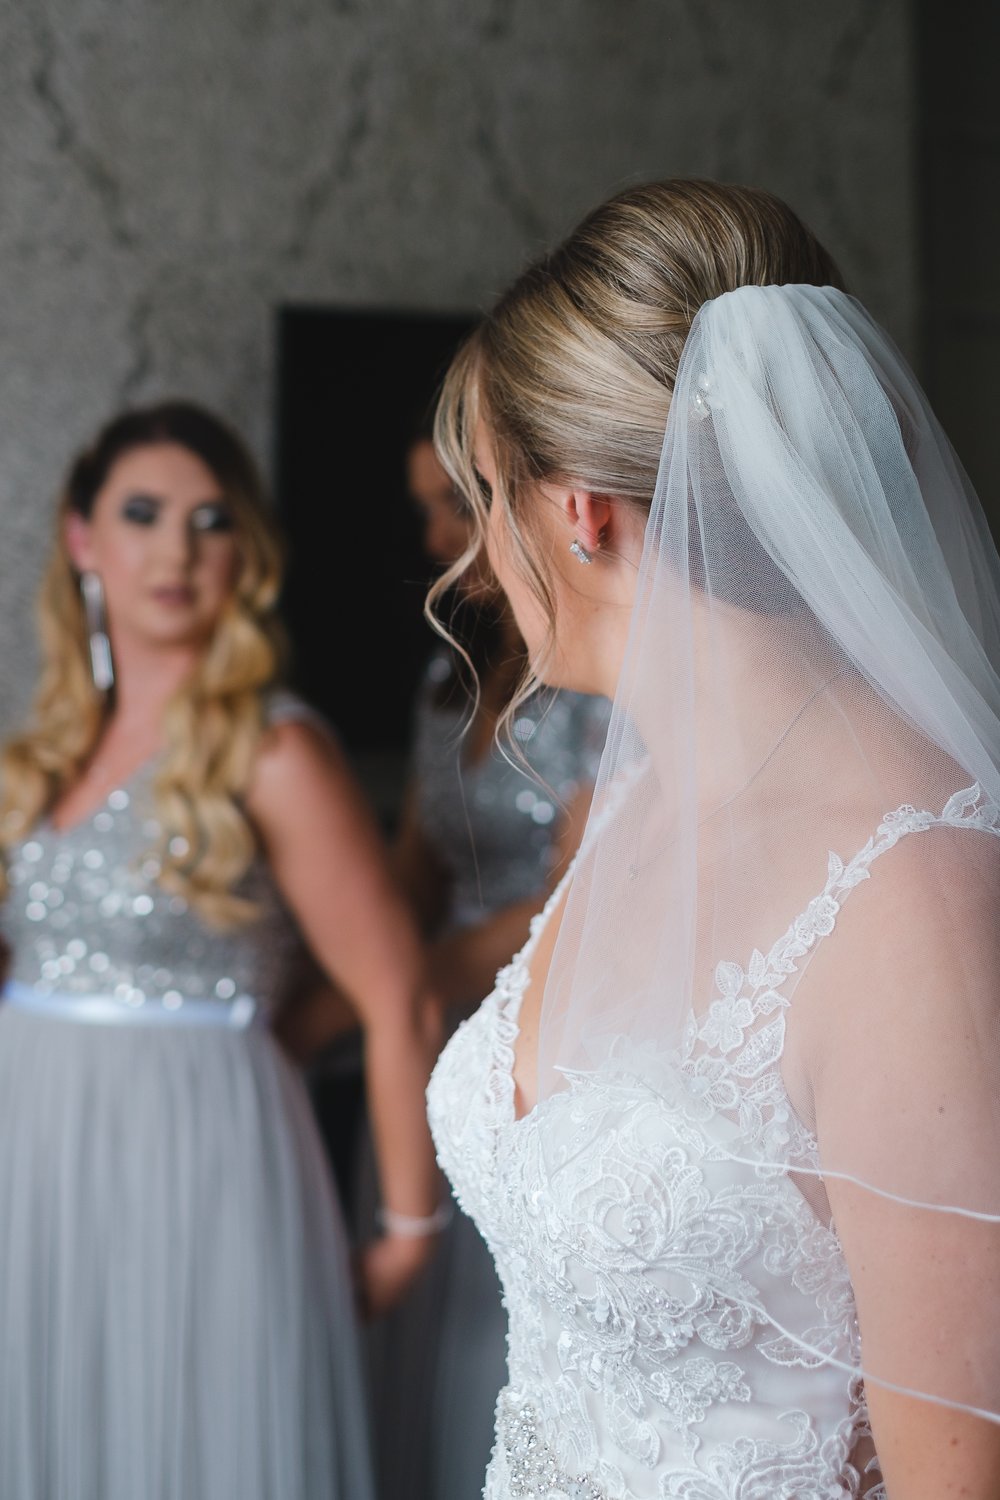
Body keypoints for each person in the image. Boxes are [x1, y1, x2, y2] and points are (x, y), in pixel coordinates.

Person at [425, 179, 1000, 1499]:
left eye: (488, 493)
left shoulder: (917, 896)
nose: (476, 561)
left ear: (576, 510)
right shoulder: (630, 798)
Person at [0, 400, 443, 1500]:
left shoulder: (274, 749)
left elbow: (400, 1002)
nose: (176, 549)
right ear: (82, 540)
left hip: (202, 1158)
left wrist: (405, 1231)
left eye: (210, 521)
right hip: (36, 1156)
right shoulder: (44, 753)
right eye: (142, 513)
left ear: (243, 552)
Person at [364, 430, 608, 1500]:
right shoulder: (443, 674)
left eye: (454, 507)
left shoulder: (598, 686)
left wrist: (412, 986)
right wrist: (371, 980)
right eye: (423, 508)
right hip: (430, 1003)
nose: (434, 538)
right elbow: (414, 864)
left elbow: (582, 891)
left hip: (536, 991)